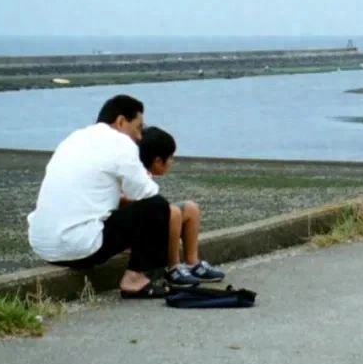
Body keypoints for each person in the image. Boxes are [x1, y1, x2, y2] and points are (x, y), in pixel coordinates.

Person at [26, 94, 201, 298]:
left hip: (44, 247)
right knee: (158, 206)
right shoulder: (121, 143)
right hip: (79, 250)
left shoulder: (74, 139)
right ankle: (134, 279)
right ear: (120, 121)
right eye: (137, 127)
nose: (139, 137)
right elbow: (147, 194)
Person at [134, 125, 224, 282]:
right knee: (173, 212)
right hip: (139, 230)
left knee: (191, 209)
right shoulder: (135, 176)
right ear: (157, 161)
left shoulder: (145, 175)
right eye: (169, 158)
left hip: (150, 223)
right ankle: (173, 267)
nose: (171, 161)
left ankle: (192, 262)